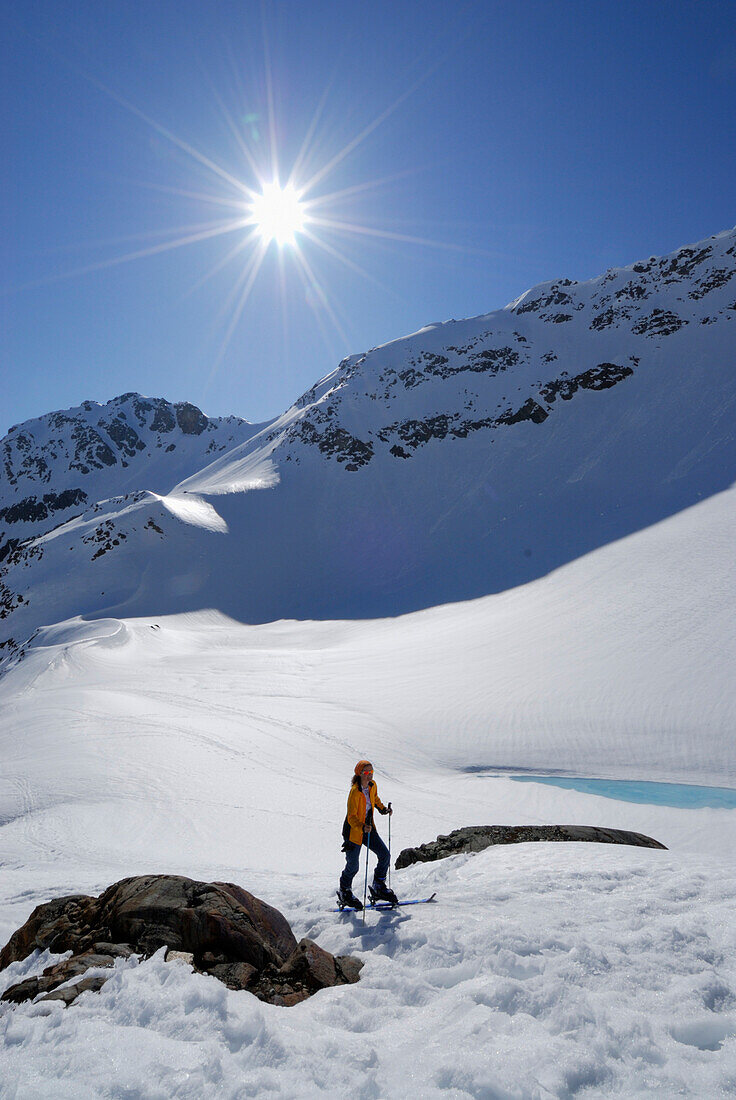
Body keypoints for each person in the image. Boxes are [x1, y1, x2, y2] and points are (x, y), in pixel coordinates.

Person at [337, 759, 397, 910]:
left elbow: (374, 799)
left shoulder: (372, 785)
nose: (369, 775)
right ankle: (345, 891)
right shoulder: (354, 792)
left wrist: (383, 809)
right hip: (354, 832)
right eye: (366, 772)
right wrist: (362, 827)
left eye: (371, 772)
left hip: (368, 829)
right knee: (353, 866)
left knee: (385, 855)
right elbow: (351, 817)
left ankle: (379, 886)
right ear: (359, 773)